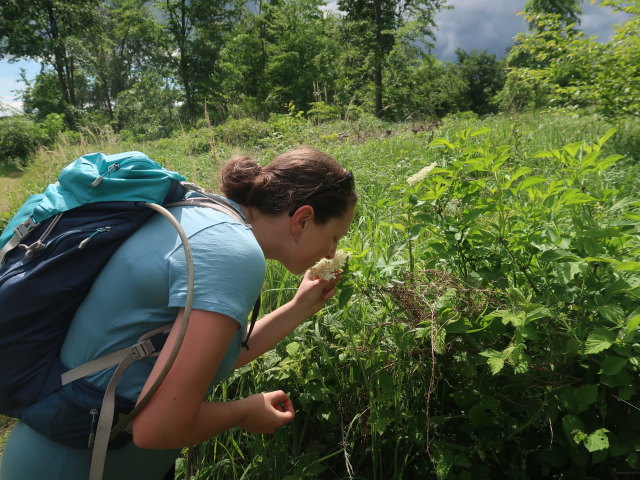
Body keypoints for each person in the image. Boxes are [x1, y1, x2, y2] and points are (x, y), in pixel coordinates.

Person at [0, 146, 357, 480]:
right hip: (77, 465)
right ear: (304, 219)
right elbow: (159, 427)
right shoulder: (233, 253)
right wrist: (245, 412)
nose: (331, 250)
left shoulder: (202, 215)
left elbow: (188, 363)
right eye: (335, 236)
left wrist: (299, 308)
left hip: (77, 453)